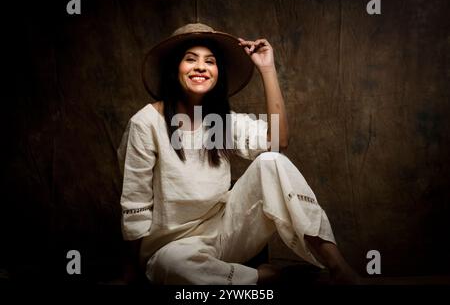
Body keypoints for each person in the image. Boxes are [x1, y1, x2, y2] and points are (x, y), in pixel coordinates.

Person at [117, 23, 360, 285]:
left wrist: (266, 69)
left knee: (272, 161)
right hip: (172, 248)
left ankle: (338, 267)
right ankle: (262, 276)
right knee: (172, 266)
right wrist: (132, 274)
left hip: (225, 233)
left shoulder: (222, 121)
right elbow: (135, 204)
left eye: (210, 62)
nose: (201, 67)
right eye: (190, 60)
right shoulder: (145, 123)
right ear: (174, 68)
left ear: (217, 73)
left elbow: (278, 141)